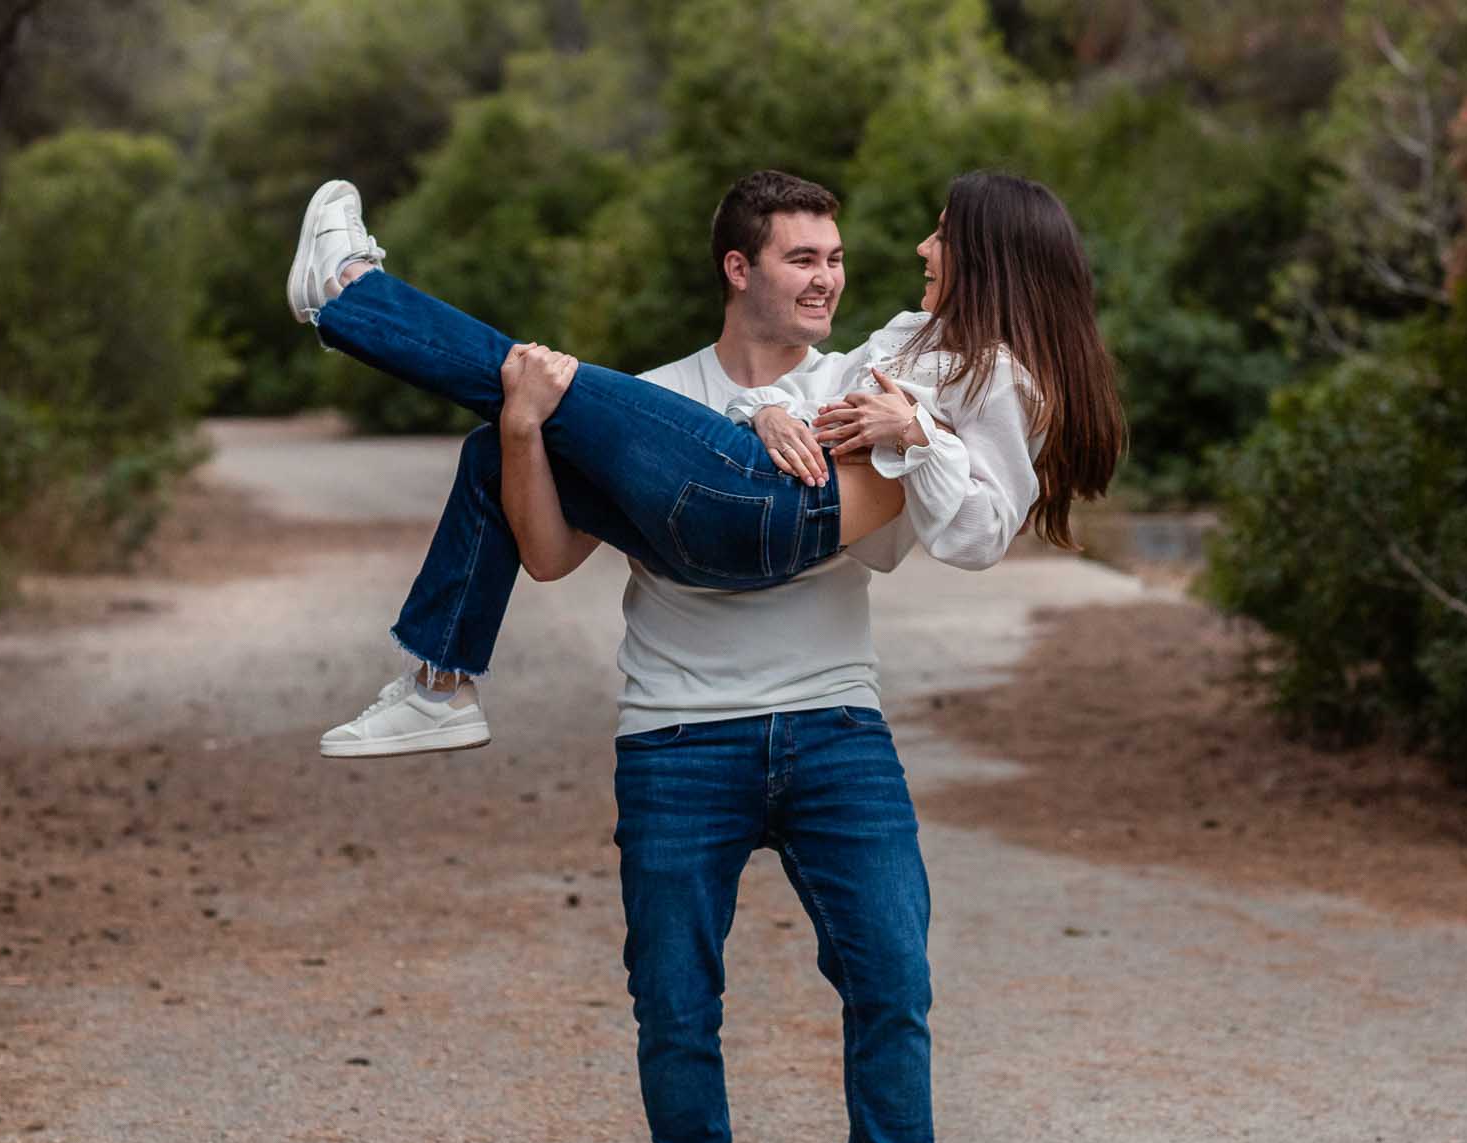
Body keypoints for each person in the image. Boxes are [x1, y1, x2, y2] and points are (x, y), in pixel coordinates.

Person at [300, 169, 1046, 1143]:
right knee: (672, 1000)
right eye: (802, 259)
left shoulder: (866, 381)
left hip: (831, 721)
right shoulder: (652, 403)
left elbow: (948, 518)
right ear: (737, 268)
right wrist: (518, 435)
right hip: (677, 733)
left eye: (834, 260)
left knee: (892, 980)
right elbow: (546, 557)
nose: (830, 277)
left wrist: (814, 422)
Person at [292, 169, 1126, 758]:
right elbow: (820, 391)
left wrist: (918, 434)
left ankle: (352, 293)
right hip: (743, 500)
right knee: (507, 434)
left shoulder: (1008, 379)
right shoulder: (913, 336)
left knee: (546, 375)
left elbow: (979, 535)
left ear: (986, 254)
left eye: (942, 232)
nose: (922, 244)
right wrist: (762, 407)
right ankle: (441, 686)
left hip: (784, 515)